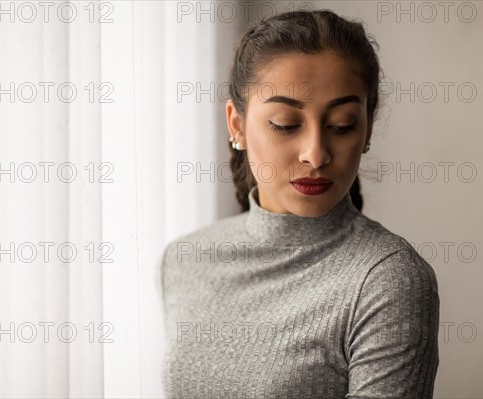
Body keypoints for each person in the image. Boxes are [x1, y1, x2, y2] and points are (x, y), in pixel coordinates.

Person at [161, 9, 440, 399]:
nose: (316, 154)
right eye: (286, 124)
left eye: (342, 125)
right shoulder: (185, 259)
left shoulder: (386, 281)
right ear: (237, 125)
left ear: (368, 129)